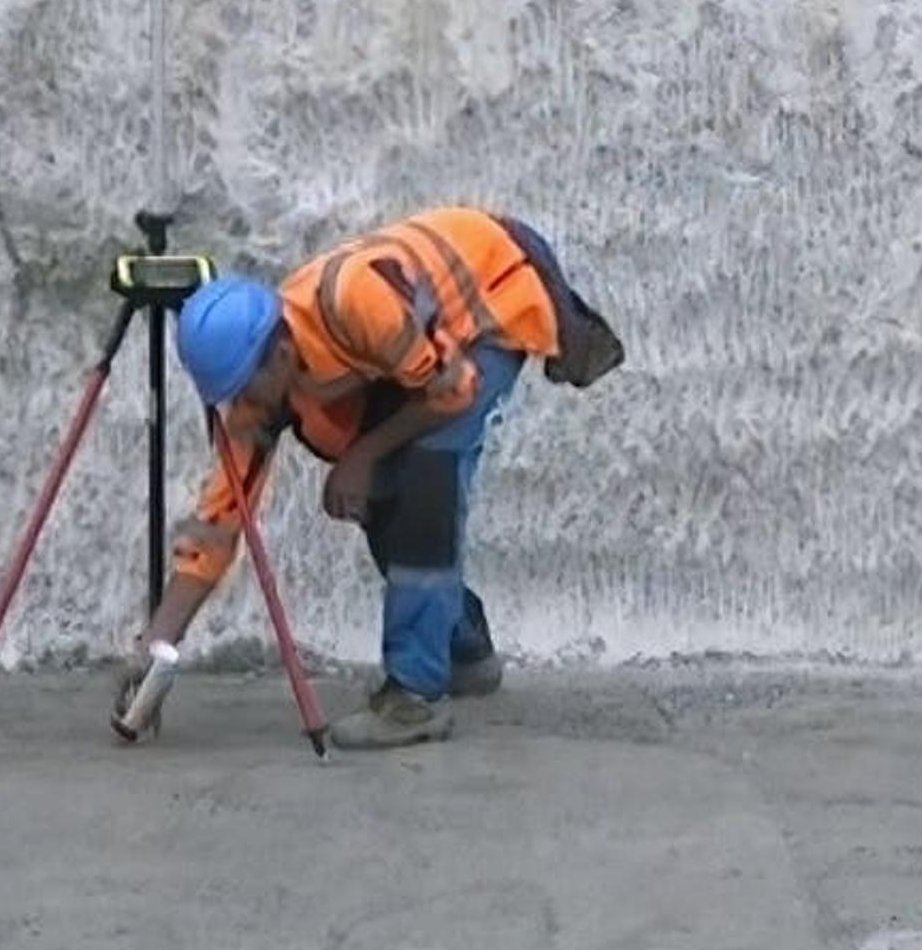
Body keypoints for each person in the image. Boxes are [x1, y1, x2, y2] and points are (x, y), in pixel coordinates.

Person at [116, 206, 622, 751]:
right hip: (413, 345)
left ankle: (414, 697)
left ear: (283, 354)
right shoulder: (254, 382)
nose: (241, 407)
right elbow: (220, 522)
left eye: (247, 391)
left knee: (425, 472)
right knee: (381, 498)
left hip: (491, 294)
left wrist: (361, 455)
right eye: (229, 396)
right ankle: (463, 651)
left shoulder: (358, 301)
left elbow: (455, 391)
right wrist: (157, 640)